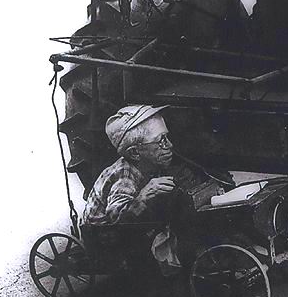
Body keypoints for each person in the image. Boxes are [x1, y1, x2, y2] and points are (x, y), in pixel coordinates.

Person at [81, 104, 226, 280]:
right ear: (135, 153)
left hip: (123, 227)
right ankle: (176, 269)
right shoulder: (125, 175)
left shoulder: (149, 165)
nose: (170, 145)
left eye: (167, 137)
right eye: (161, 141)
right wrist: (143, 196)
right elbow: (117, 218)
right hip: (104, 236)